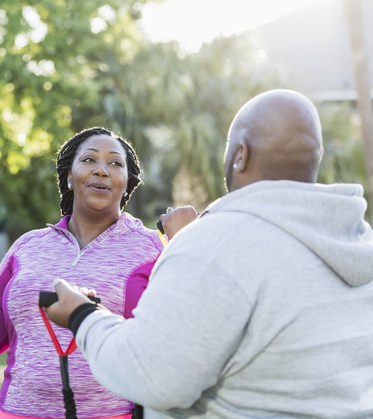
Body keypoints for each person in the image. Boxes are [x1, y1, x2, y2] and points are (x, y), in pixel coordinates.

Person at [45, 89, 373, 417]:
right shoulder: (356, 241)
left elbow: (150, 375)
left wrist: (81, 315)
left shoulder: (217, 243)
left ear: (240, 155)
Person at [0, 127, 166, 419]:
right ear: (69, 176)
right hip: (18, 412)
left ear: (127, 182)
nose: (101, 171)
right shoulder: (28, 247)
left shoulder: (153, 249)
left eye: (115, 163)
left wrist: (186, 238)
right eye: (89, 160)